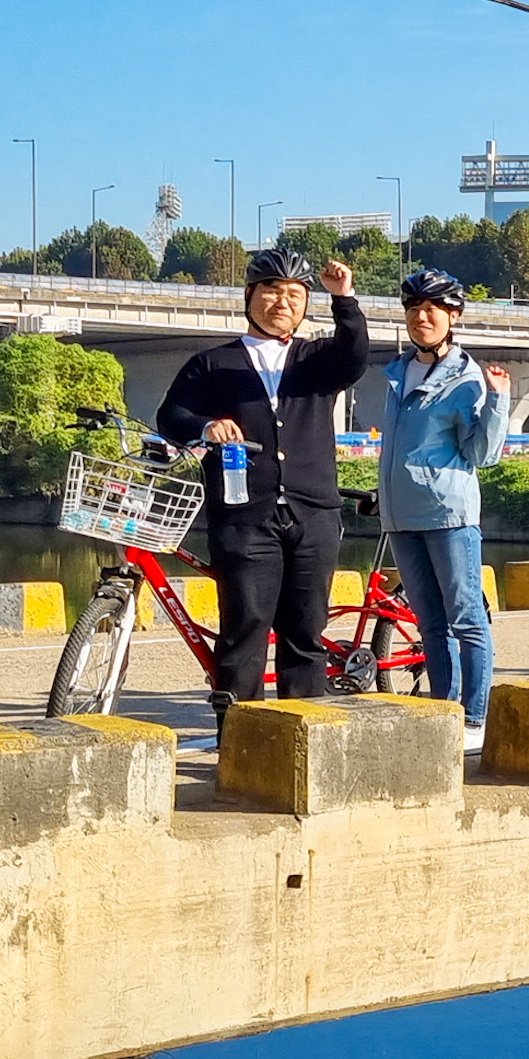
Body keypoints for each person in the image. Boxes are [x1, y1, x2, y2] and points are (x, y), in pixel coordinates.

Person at [158, 248, 368, 721]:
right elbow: (170, 416)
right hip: (243, 516)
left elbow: (354, 358)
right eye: (272, 292)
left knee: (305, 633)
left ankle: (306, 738)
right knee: (244, 632)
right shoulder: (212, 364)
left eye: (295, 295)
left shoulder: (315, 359)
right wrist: (205, 426)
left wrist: (345, 300)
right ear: (250, 296)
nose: (283, 302)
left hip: (313, 512)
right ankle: (239, 742)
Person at [376, 269, 512, 752]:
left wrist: (498, 400)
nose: (421, 317)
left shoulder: (466, 376)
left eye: (433, 309)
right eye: (414, 309)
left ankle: (474, 718)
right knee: (429, 623)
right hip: (400, 516)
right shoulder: (397, 372)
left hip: (449, 515)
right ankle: (442, 708)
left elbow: (482, 455)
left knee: (466, 617)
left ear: (453, 316)